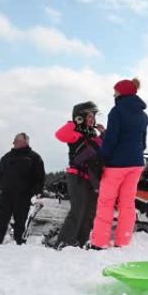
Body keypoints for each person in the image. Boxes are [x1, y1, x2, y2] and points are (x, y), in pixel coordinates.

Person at [89, 78, 148, 249]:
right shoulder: (143, 116)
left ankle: (100, 242)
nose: (113, 94)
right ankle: (123, 241)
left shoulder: (117, 112)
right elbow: (143, 143)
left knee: (106, 202)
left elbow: (111, 139)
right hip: (136, 163)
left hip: (116, 165)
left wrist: (102, 157)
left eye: (115, 91)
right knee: (128, 204)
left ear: (121, 93)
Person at [52, 101, 105, 249]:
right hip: (77, 176)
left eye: (93, 116)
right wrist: (75, 122)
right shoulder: (76, 133)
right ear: (80, 116)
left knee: (89, 213)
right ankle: (63, 243)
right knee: (77, 211)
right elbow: (60, 135)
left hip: (92, 179)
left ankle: (80, 243)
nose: (92, 119)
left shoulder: (94, 135)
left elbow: (103, 152)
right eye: (89, 116)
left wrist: (104, 134)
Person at [0, 133, 45, 246]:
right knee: (1, 221)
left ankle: (20, 244)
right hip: (6, 195)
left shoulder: (34, 158)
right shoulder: (7, 157)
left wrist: (36, 192)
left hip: (23, 196)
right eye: (14, 141)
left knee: (20, 222)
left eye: (16, 141)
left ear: (25, 142)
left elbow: (40, 178)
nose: (13, 143)